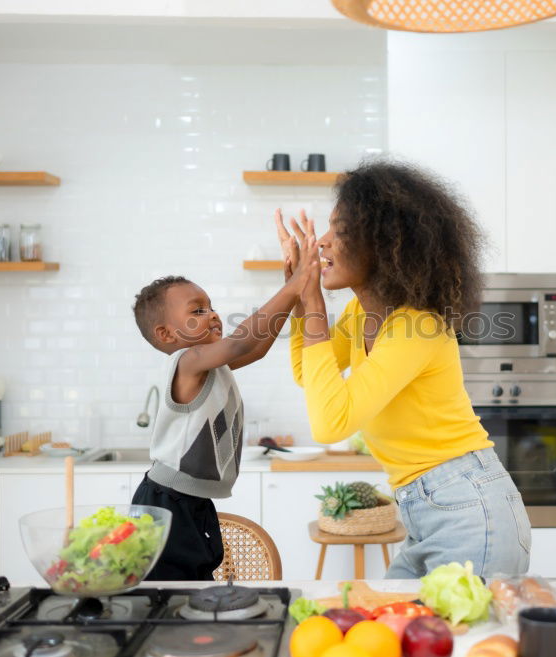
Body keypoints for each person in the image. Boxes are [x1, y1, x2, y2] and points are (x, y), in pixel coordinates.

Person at [277, 160, 531, 578]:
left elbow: (329, 423)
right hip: (426, 506)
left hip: (469, 508)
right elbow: (310, 375)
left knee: (460, 643)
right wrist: (297, 297)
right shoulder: (363, 312)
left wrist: (314, 302)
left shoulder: (418, 326)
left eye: (338, 231)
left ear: (382, 243)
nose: (322, 242)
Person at [129, 237, 318, 580]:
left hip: (191, 501)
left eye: (210, 306)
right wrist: (292, 287)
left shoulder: (212, 366)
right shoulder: (187, 362)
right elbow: (242, 341)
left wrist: (293, 291)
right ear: (166, 334)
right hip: (167, 502)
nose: (213, 314)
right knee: (168, 591)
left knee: (197, 582)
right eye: (197, 311)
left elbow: (255, 348)